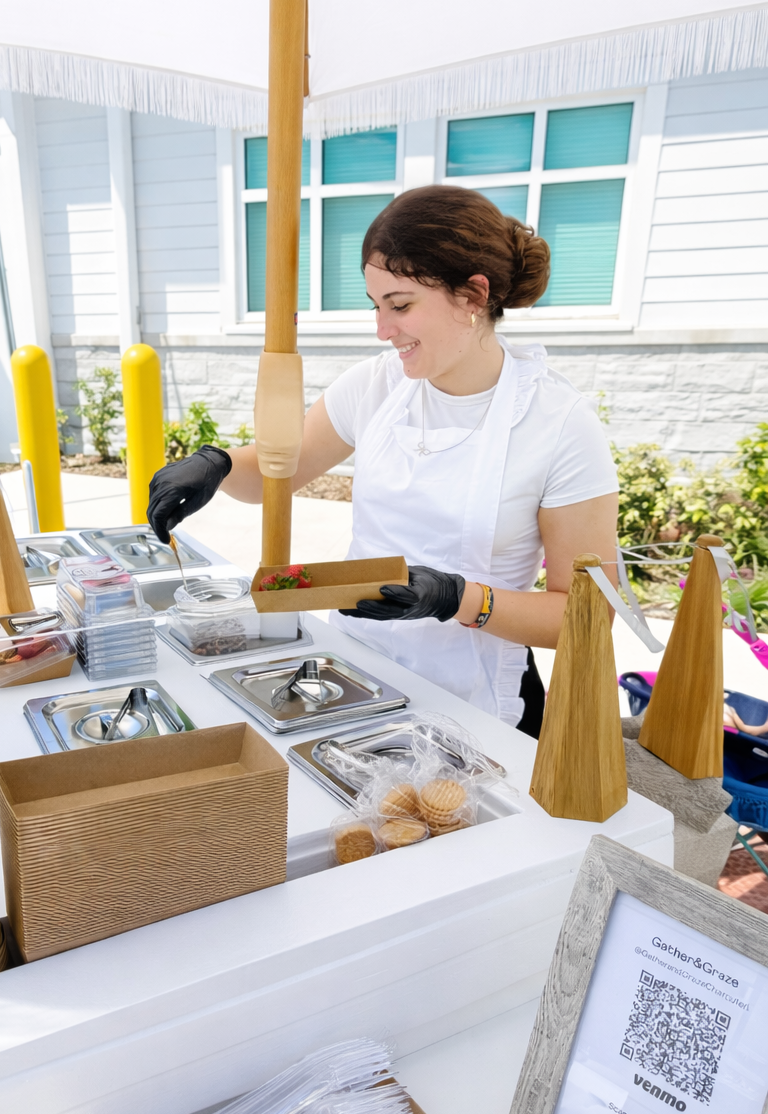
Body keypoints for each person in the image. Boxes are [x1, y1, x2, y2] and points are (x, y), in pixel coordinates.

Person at [147, 185, 620, 734]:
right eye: (377, 306)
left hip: (476, 701)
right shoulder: (376, 385)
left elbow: (586, 616)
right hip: (356, 676)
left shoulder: (559, 424)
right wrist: (219, 464)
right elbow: (275, 474)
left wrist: (455, 597)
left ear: (472, 294)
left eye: (400, 306)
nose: (382, 329)